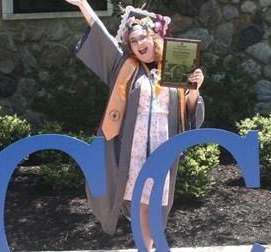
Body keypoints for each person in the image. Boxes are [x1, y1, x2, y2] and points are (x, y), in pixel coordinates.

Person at [65, 0, 206, 250]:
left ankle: (150, 246)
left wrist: (195, 88)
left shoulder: (174, 68)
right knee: (141, 202)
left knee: (154, 203)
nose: (139, 44)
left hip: (164, 143)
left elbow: (189, 111)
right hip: (135, 146)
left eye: (143, 38)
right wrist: (83, 5)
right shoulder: (126, 68)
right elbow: (102, 37)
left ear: (154, 38)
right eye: (133, 41)